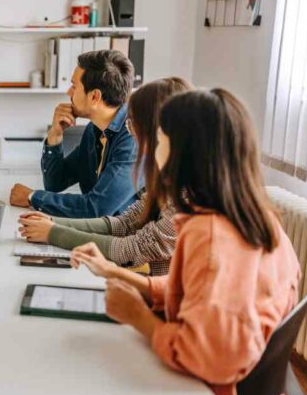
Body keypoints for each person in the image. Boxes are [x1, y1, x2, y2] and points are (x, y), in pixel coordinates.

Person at [70, 89, 301, 395]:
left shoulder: (208, 234)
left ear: (183, 153)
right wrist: (124, 278)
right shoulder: (258, 219)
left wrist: (140, 318)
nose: (152, 150)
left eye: (160, 139)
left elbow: (208, 357)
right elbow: (206, 294)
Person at [17, 77, 193, 276]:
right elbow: (123, 224)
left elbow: (132, 247)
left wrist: (52, 232)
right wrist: (52, 222)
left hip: (167, 299)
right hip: (152, 286)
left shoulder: (192, 195)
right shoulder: (167, 180)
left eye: (136, 125)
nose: (133, 134)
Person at [10, 50, 138, 218]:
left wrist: (32, 197)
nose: (69, 92)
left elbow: (97, 208)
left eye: (74, 86)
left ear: (94, 97)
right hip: (98, 234)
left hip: (126, 240)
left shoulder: (133, 137)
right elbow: (55, 183)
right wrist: (55, 135)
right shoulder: (94, 131)